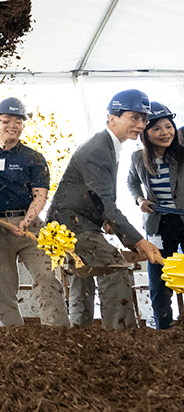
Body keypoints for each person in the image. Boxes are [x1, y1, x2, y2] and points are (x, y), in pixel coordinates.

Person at [48, 89, 163, 329]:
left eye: (144, 119)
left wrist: (106, 221)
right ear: (112, 117)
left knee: (84, 274)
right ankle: (122, 339)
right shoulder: (98, 149)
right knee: (114, 266)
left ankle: (80, 337)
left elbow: (98, 198)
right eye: (134, 117)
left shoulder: (109, 146)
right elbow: (105, 202)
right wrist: (139, 241)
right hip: (71, 223)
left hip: (69, 222)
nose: (141, 124)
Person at [0, 98, 69, 327]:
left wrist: (26, 222)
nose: (12, 126)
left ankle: (58, 332)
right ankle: (14, 336)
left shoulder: (33, 157)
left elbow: (40, 195)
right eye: (6, 121)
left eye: (18, 121)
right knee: (2, 286)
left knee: (46, 278)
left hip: (30, 227)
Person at [127, 102, 184, 330]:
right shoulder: (138, 158)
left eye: (168, 126)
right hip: (159, 224)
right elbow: (131, 182)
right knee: (159, 277)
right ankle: (163, 326)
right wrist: (140, 200)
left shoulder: (181, 154)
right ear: (145, 133)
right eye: (157, 129)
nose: (165, 133)